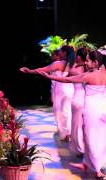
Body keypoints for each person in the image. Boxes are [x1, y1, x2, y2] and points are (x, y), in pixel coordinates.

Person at [37, 50, 106, 179]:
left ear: (96, 62)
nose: (86, 62)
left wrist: (48, 76)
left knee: (91, 137)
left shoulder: (88, 76)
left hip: (93, 110)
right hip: (103, 109)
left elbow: (65, 79)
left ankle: (97, 170)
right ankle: (87, 163)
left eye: (88, 60)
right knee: (100, 137)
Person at [20, 45, 75, 141]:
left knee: (59, 112)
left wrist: (29, 71)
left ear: (65, 53)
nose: (59, 52)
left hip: (61, 90)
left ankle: (65, 133)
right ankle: (69, 133)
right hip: (71, 89)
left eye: (61, 51)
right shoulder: (73, 64)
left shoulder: (59, 63)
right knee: (68, 112)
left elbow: (43, 70)